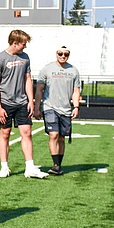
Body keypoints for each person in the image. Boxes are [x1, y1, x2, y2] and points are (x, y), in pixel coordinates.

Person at [0, 30, 49, 179]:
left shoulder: (25, 57)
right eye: (23, 44)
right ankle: (4, 167)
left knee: (27, 133)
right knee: (5, 134)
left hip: (22, 102)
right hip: (5, 103)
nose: (25, 47)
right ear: (15, 43)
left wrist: (31, 101)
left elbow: (28, 79)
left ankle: (30, 167)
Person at [34, 46, 82, 175]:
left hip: (66, 108)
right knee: (53, 134)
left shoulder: (74, 70)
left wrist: (76, 106)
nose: (63, 56)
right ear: (56, 54)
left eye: (66, 54)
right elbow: (39, 89)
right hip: (49, 107)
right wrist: (36, 108)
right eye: (60, 53)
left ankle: (59, 165)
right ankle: (55, 165)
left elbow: (76, 90)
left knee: (61, 137)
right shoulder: (47, 69)